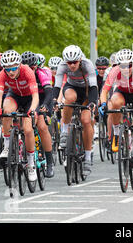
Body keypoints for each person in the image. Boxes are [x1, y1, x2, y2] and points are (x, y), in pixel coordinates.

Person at [99, 49, 133, 181]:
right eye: (122, 66)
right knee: (114, 102)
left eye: (129, 66)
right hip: (122, 93)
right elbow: (105, 91)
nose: (126, 69)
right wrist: (103, 104)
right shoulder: (114, 71)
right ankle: (116, 134)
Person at [52, 45, 98, 176]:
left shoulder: (87, 64)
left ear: (80, 59)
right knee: (69, 99)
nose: (72, 65)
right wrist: (55, 100)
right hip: (72, 87)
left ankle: (88, 158)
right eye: (69, 63)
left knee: (85, 120)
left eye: (74, 62)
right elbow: (57, 85)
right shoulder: (62, 65)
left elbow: (94, 86)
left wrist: (93, 103)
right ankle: (65, 131)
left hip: (88, 91)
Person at [0, 50, 39, 181]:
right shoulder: (3, 74)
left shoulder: (27, 71)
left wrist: (31, 110)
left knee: (27, 129)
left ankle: (31, 164)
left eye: (14, 68)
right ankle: (7, 146)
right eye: (7, 69)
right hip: (14, 95)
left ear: (19, 65)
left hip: (29, 99)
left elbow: (35, 96)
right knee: (6, 111)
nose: (11, 72)